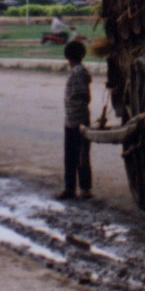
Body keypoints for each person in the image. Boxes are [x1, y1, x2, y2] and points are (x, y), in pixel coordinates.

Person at [59, 39, 93, 200]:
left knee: (78, 156)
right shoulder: (79, 71)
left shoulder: (77, 73)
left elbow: (82, 97)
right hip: (74, 119)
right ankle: (75, 188)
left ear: (68, 57)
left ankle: (78, 188)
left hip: (76, 121)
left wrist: (78, 120)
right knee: (78, 156)